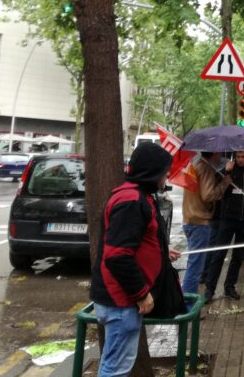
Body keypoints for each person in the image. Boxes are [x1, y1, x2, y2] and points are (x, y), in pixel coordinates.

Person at [90, 142, 179, 377]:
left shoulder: (137, 196)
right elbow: (117, 255)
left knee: (115, 364)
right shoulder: (131, 200)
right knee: (115, 369)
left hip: (121, 301)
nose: (166, 176)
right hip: (121, 301)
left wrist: (160, 251)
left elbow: (133, 241)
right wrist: (141, 293)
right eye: (164, 171)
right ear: (151, 172)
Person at [204, 150, 244, 302]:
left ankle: (229, 286)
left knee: (238, 256)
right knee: (219, 254)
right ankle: (209, 289)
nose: (240, 159)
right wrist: (226, 171)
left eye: (243, 157)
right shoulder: (228, 170)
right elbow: (216, 188)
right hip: (227, 218)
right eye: (238, 156)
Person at [181, 151, 230, 294]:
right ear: (214, 153)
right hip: (199, 221)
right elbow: (208, 195)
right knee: (195, 269)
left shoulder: (195, 164)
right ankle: (188, 306)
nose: (221, 156)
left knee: (193, 264)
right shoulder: (206, 167)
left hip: (190, 218)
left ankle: (187, 302)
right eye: (219, 153)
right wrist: (223, 184)